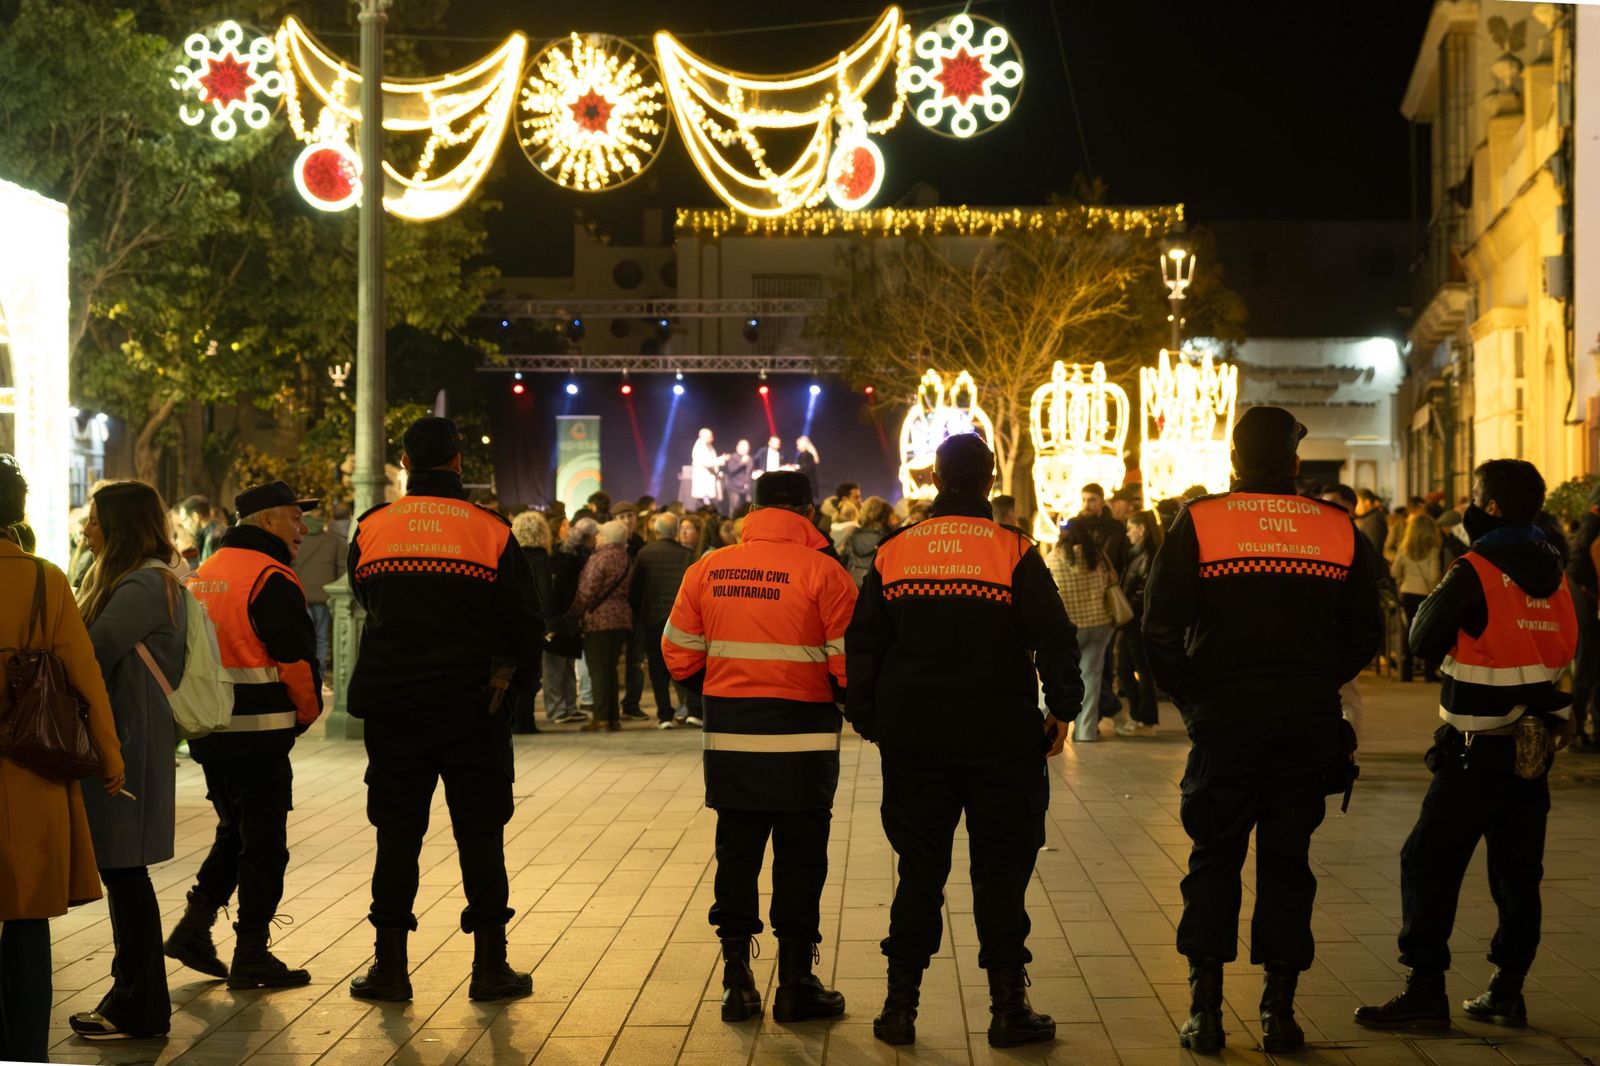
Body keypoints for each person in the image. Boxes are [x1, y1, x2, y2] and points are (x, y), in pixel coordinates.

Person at [1143, 407, 1383, 1055]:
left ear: (1234, 461)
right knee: (1288, 862)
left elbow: (1159, 626)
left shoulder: (1201, 521)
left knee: (1213, 857)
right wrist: (1317, 679)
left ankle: (1206, 1013)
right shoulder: (1335, 527)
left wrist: (1194, 697)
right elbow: (1367, 628)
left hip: (1226, 719)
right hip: (1306, 721)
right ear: (1295, 463)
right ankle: (1280, 1015)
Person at [845, 433, 1078, 1049]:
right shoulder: (1013, 550)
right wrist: (1063, 707)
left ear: (934, 478)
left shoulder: (896, 551)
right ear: (990, 479)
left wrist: (870, 718)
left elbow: (863, 643)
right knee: (1001, 873)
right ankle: (1008, 1009)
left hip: (915, 740)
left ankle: (900, 1008)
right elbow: (1055, 636)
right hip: (1001, 738)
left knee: (919, 872)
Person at [1356, 459, 1580, 1031]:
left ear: (1492, 508)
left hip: (1474, 747)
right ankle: (1508, 989)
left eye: (1476, 498)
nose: (1470, 508)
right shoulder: (1557, 573)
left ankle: (1424, 990)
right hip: (1532, 749)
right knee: (1517, 871)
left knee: (1427, 862)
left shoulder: (1475, 569)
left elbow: (1420, 636)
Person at [345, 416, 543, 1004]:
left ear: (405, 463)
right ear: (458, 462)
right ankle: (490, 967)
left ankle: (389, 968)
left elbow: (365, 598)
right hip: (472, 708)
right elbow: (524, 623)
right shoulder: (490, 531)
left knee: (396, 835)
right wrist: (514, 693)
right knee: (480, 835)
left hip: (394, 709)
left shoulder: (373, 528)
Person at [662, 470, 857, 1026]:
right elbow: (850, 664)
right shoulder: (827, 572)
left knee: (737, 855)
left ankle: (736, 982)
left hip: (731, 738)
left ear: (752, 510)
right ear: (809, 512)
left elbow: (677, 653)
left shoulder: (708, 568)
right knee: (802, 860)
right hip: (804, 742)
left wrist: (724, 691)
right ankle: (795, 984)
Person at [165, 481, 323, 991]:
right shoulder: (270, 576)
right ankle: (251, 951)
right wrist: (306, 714)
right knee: (264, 846)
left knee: (234, 832)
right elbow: (296, 660)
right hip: (260, 733)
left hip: (211, 733)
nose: (303, 528)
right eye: (295, 517)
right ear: (268, 521)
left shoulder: (203, 575)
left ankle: (194, 928)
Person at [0, 457, 125, 1062]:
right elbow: (85, 675)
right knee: (26, 919)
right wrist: (109, 753)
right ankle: (26, 1051)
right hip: (32, 767)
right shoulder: (45, 580)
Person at [68, 482, 187, 1040]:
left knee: (125, 869)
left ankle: (138, 1006)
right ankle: (131, 1000)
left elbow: (89, 651)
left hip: (129, 740)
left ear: (121, 527)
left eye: (94, 520)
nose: (86, 529)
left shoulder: (143, 583)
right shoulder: (137, 578)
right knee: (122, 871)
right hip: (126, 733)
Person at [1049, 520, 1117, 742]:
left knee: (1059, 675)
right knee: (1091, 677)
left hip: (1070, 626)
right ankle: (1086, 732)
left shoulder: (1054, 557)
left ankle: (1041, 720)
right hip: (1100, 624)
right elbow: (1113, 580)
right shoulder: (1098, 556)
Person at [632, 512, 698, 729]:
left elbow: (637, 590)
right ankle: (693, 710)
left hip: (653, 618)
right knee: (687, 663)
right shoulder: (687, 554)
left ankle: (664, 715)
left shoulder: (644, 553)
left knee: (657, 667)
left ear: (657, 530)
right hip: (681, 618)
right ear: (676, 530)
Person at [571, 521, 635, 732]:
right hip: (621, 617)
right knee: (610, 669)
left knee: (598, 669)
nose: (597, 537)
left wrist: (575, 611)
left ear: (608, 537)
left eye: (600, 534)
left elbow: (587, 590)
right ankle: (613, 717)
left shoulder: (600, 558)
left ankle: (601, 717)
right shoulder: (625, 558)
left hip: (599, 619)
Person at [546, 518, 596, 724]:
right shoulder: (568, 559)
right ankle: (557, 709)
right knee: (557, 666)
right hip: (561, 619)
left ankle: (568, 707)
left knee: (566, 665)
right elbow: (559, 593)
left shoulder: (574, 557)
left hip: (567, 618)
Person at [511, 511, 557, 734]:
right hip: (533, 622)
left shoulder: (512, 557)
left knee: (515, 672)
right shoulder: (542, 560)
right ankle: (526, 721)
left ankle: (515, 719)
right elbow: (545, 594)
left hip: (514, 620)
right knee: (531, 672)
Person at [1117, 510, 1162, 734]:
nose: (1127, 534)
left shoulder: (1148, 555)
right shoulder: (1138, 554)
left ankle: (1145, 718)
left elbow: (1145, 591)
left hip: (1137, 621)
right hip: (1132, 620)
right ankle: (1139, 716)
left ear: (1141, 529)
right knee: (1126, 668)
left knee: (1139, 669)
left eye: (1130, 528)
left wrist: (1127, 608)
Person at [1565, 487, 1600, 751]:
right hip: (1589, 602)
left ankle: (1587, 729)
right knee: (1588, 667)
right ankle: (1578, 732)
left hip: (1585, 600)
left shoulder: (1589, 523)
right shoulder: (1595, 524)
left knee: (1590, 667)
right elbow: (1596, 552)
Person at [292, 511, 345, 679]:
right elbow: (342, 569)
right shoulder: (333, 540)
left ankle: (305, 674)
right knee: (321, 638)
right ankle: (319, 675)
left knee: (304, 637)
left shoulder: (295, 540)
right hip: (324, 594)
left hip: (301, 594)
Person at [1392, 512, 1443, 683]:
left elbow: (1394, 571)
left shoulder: (1403, 548)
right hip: (1425, 595)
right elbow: (1433, 575)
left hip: (1407, 593)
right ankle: (1429, 671)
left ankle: (1406, 671)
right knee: (1427, 631)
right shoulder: (1433, 550)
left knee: (1409, 631)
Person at [841, 497, 891, 588]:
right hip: (879, 586)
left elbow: (844, 560)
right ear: (885, 515)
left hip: (854, 582)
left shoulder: (853, 536)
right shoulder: (889, 539)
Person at [691, 428, 724, 509]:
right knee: (703, 505)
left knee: (708, 504)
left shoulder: (709, 447)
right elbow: (708, 462)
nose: (712, 438)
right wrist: (721, 459)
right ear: (703, 437)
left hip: (709, 480)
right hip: (703, 481)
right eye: (710, 436)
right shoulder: (699, 447)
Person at [723, 440, 754, 513]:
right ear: (737, 447)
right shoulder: (733, 457)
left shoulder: (750, 458)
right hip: (734, 488)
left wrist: (754, 474)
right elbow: (731, 470)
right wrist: (741, 462)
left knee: (744, 510)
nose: (745, 449)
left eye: (747, 447)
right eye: (743, 447)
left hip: (746, 489)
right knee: (735, 509)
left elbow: (748, 473)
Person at [1355, 489, 1388, 555]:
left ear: (1367, 502)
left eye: (1357, 502)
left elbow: (1372, 548)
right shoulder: (1367, 519)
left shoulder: (1373, 521)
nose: (1355, 506)